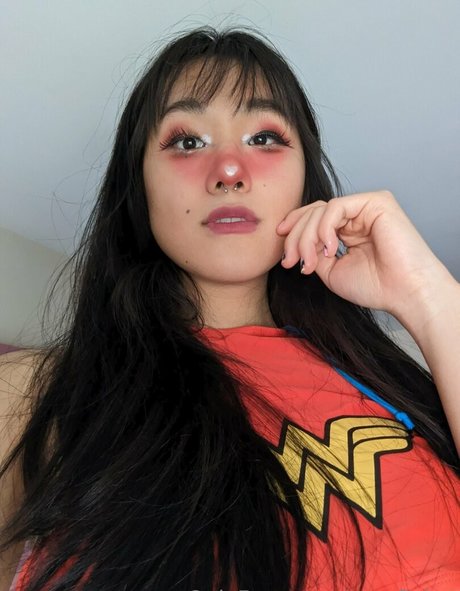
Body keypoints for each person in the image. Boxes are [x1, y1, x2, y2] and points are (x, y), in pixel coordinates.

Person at [0, 26, 458, 591]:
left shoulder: (387, 374)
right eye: (186, 142)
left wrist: (428, 296)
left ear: (304, 180)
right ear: (139, 187)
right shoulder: (34, 394)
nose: (230, 171)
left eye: (264, 138)